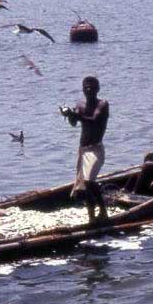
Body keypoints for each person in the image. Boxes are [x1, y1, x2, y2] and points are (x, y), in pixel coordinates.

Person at [60, 76, 110, 223]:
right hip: (83, 150)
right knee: (85, 184)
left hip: (96, 150)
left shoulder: (102, 104)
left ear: (97, 89)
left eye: (92, 87)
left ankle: (103, 212)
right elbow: (74, 123)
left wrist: (75, 115)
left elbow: (94, 121)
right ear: (82, 89)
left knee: (89, 181)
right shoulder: (80, 104)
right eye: (86, 87)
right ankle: (91, 216)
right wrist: (69, 114)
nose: (88, 90)